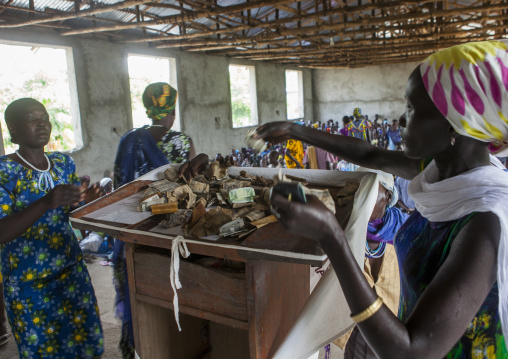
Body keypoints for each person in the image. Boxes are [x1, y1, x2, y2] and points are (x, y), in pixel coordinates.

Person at [252, 41, 508, 357]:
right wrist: (296, 130)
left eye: (412, 109)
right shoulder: (441, 171)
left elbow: (412, 351)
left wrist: (332, 235)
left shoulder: (484, 225)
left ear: (456, 124)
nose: (400, 120)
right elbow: (371, 154)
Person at [0, 98, 104, 358]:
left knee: (86, 342)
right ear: (13, 129)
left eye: (44, 118)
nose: (42, 124)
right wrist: (47, 201)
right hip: (28, 283)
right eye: (31, 119)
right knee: (44, 350)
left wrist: (88, 201)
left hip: (70, 271)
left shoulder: (63, 163)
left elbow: (71, 213)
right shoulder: (4, 171)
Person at [113, 82, 194, 358]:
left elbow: (119, 188)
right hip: (168, 233)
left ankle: (139, 348)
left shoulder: (128, 140)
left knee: (138, 296)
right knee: (170, 293)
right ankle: (174, 344)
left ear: (149, 108)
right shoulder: (181, 142)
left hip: (133, 228)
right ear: (172, 109)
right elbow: (191, 188)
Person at [335, 168, 409, 358]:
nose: (359, 196)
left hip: (393, 330)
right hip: (353, 327)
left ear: (388, 195)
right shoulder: (343, 228)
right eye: (355, 189)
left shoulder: (405, 233)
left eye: (367, 190)